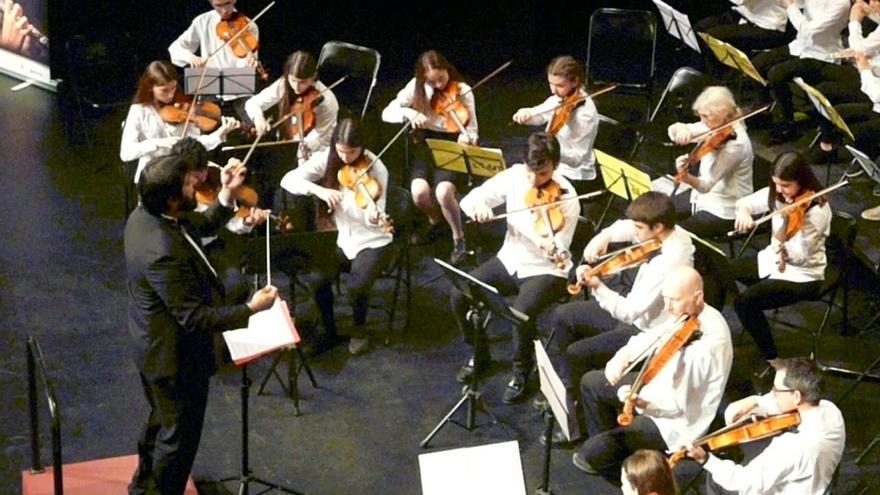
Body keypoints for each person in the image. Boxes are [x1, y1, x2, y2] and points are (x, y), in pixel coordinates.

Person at [125, 153, 278, 495]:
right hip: (175, 358)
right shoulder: (160, 247)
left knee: (160, 422)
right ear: (173, 198)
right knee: (178, 440)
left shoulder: (148, 216)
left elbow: (201, 226)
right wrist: (251, 308)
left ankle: (142, 487)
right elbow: (194, 318)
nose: (197, 182)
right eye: (188, 183)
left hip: (152, 345)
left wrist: (227, 194)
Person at [544, 192, 694, 445]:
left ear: (657, 227)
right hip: (634, 313)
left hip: (646, 331)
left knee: (575, 354)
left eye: (639, 228)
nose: (634, 232)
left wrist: (597, 287)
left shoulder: (668, 262)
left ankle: (594, 436)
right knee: (563, 315)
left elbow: (629, 311)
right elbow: (629, 227)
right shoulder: (668, 232)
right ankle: (570, 397)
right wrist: (605, 236)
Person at [572, 266, 733, 483]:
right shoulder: (689, 313)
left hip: (675, 425)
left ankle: (635, 482)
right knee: (591, 382)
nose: (667, 307)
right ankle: (622, 456)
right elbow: (655, 336)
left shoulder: (707, 348)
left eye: (673, 300)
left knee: (593, 451)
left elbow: (676, 405)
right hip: (658, 389)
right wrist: (623, 356)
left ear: (698, 296)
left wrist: (640, 402)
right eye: (665, 299)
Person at [451, 132, 578, 404]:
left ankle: (521, 371)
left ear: (555, 165)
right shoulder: (514, 176)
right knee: (459, 294)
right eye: (532, 172)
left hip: (546, 270)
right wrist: (480, 208)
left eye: (543, 174)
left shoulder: (568, 197)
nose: (535, 181)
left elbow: (562, 247)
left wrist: (551, 245)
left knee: (520, 313)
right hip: (510, 259)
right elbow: (469, 200)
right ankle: (479, 352)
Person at [279, 116, 394, 356]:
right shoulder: (328, 159)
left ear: (362, 147)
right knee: (317, 279)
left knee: (357, 286)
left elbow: (378, 209)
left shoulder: (377, 168)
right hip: (342, 237)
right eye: (341, 151)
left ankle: (359, 329)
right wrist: (319, 190)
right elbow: (288, 179)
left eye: (352, 152)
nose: (346, 158)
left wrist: (373, 215)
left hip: (373, 240)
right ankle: (329, 330)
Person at [704, 151, 831, 363]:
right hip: (771, 261)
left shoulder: (817, 210)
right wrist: (744, 212)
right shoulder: (778, 194)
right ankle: (707, 328)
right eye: (776, 184)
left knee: (745, 303)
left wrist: (782, 236)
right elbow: (746, 203)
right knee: (719, 268)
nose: (780, 191)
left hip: (803, 276)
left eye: (786, 185)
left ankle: (772, 359)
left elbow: (800, 257)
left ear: (802, 180)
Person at [685, 357, 845, 494]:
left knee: (715, 480)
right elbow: (784, 404)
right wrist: (756, 400)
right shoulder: (830, 409)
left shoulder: (792, 448)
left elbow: (741, 481)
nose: (772, 394)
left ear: (796, 396)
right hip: (818, 483)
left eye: (776, 390)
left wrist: (705, 459)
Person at [381, 50, 479, 265]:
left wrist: (467, 137)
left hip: (453, 146)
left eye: (441, 79)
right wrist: (410, 113)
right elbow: (387, 113)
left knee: (443, 192)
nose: (437, 86)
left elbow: (472, 131)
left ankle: (458, 237)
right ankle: (437, 221)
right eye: (431, 82)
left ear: (446, 69)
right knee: (419, 194)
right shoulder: (416, 88)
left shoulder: (463, 90)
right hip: (426, 147)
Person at [119, 60, 239, 184]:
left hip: (183, 172)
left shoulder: (182, 104)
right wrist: (158, 143)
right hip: (153, 175)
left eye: (173, 88)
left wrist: (219, 134)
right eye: (164, 90)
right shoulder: (139, 110)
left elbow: (194, 145)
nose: (171, 95)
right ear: (150, 88)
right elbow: (126, 153)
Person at [751, 0, 850, 142]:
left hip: (821, 55)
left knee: (777, 74)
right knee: (757, 64)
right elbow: (799, 4)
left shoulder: (841, 4)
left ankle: (787, 123)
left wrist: (790, 6)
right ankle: (765, 109)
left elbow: (809, 31)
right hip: (799, 46)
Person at [667, 86, 754, 239]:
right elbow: (673, 131)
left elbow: (705, 185)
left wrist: (686, 177)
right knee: (658, 212)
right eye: (701, 116)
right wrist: (680, 129)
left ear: (724, 116)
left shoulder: (736, 145)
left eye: (706, 117)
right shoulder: (715, 125)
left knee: (673, 235)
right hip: (699, 198)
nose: (702, 121)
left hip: (725, 209)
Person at [512, 56, 600, 196]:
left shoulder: (585, 114)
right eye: (550, 84)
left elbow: (577, 159)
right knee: (519, 179)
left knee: (534, 187)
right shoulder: (560, 98)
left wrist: (551, 150)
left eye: (559, 85)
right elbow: (541, 113)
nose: (553, 90)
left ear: (575, 81)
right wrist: (527, 113)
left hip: (575, 174)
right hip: (552, 165)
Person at [245, 50, 339, 164]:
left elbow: (323, 138)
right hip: (287, 145)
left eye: (302, 82)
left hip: (314, 152)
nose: (296, 87)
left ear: (313, 76)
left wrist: (298, 145)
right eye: (293, 80)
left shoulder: (327, 101)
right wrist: (258, 118)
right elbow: (252, 103)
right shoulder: (283, 85)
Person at [168, 0, 260, 77]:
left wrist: (249, 61)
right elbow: (175, 48)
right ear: (211, 3)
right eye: (218, 5)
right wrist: (191, 58)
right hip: (209, 85)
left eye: (227, 3)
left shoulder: (249, 26)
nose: (224, 10)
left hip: (239, 90)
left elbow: (248, 63)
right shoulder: (202, 21)